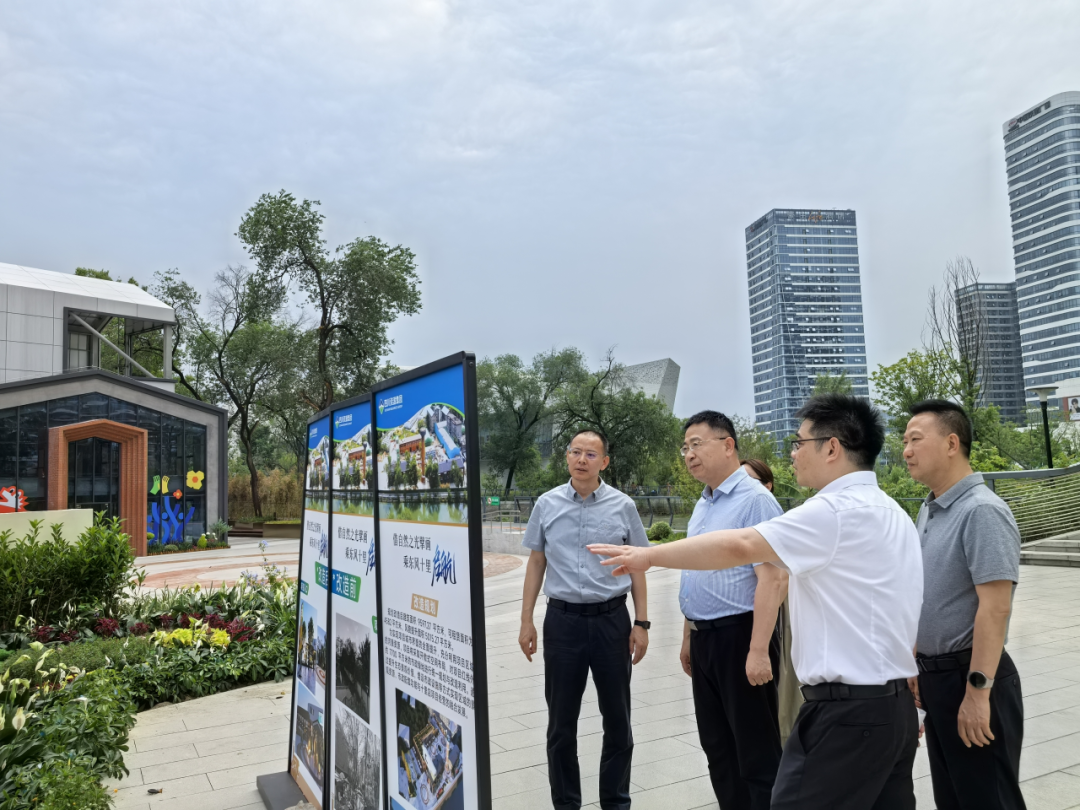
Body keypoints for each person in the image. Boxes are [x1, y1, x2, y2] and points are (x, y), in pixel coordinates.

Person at [589, 394, 923, 810]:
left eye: (799, 443)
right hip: (891, 708)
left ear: (832, 448)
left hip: (848, 715)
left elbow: (743, 546)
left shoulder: (832, 511)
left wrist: (649, 556)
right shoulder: (893, 512)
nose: (793, 453)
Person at [903, 400, 1025, 810]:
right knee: (954, 799)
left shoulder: (982, 511)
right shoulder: (930, 508)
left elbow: (996, 608)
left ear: (952, 443)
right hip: (936, 679)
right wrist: (917, 658)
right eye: (904, 442)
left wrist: (977, 694)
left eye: (915, 440)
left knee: (988, 799)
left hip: (972, 677)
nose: (906, 451)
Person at [519, 429, 650, 810]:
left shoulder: (623, 505)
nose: (581, 459)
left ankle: (616, 802)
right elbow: (536, 562)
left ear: (604, 462)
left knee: (618, 720)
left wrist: (641, 623)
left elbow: (638, 566)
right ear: (566, 456)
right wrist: (526, 620)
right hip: (562, 623)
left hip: (612, 621)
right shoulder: (546, 504)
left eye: (591, 454)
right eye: (575, 452)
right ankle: (566, 804)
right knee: (561, 725)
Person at [677, 412, 786, 809]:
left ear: (728, 445)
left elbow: (774, 577)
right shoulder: (703, 503)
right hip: (705, 640)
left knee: (757, 754)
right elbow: (695, 571)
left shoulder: (755, 500)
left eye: (696, 444)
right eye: (685, 447)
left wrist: (758, 650)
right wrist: (689, 636)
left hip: (740, 638)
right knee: (719, 750)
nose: (689, 454)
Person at [741, 458, 804, 746]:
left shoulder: (772, 518)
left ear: (767, 486)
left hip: (777, 617)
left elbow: (780, 578)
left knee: (782, 689)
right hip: (746, 622)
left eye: (750, 480)